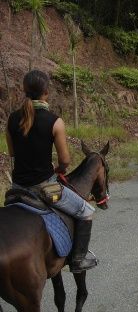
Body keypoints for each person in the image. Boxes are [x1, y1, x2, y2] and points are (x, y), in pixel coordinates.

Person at [5, 70, 98, 273]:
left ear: (24, 90)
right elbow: (65, 161)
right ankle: (78, 260)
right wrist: (58, 169)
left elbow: (12, 153)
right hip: (45, 188)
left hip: (18, 188)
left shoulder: (12, 120)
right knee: (87, 211)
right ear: (46, 92)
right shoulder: (55, 121)